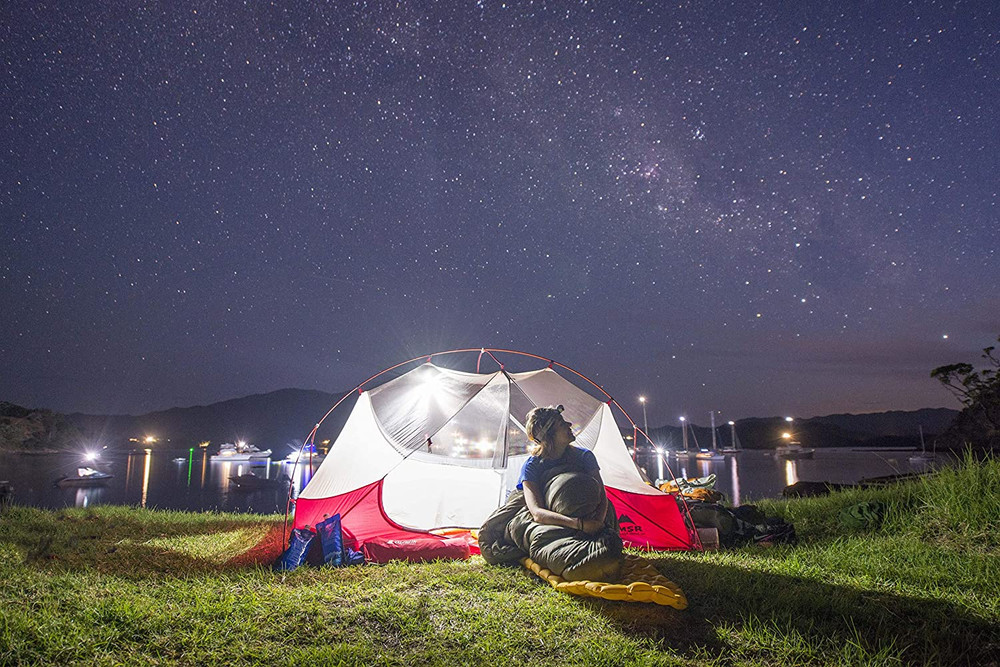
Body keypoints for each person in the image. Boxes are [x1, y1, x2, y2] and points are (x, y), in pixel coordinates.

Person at [517, 405, 609, 535]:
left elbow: (602, 498)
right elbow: (537, 512)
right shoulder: (532, 466)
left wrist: (597, 524)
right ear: (550, 435)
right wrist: (578, 524)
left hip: (589, 516)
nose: (569, 424)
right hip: (557, 521)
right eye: (561, 423)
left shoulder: (585, 456)